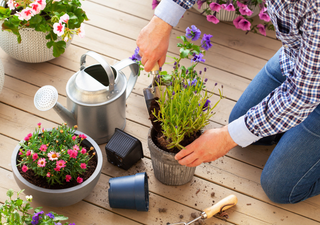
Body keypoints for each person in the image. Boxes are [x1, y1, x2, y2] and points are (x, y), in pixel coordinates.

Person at [136, 0, 320, 204]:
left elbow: (301, 96)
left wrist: (226, 137)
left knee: (280, 187)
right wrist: (162, 21)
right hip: (298, 56)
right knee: (242, 123)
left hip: (307, 87)